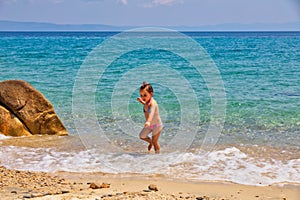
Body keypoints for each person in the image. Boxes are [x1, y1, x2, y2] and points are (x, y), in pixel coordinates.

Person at [137, 82, 162, 153]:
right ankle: (150, 142)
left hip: (157, 126)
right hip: (150, 125)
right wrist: (141, 101)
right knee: (142, 136)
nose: (143, 97)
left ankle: (158, 155)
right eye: (141, 95)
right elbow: (146, 105)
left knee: (155, 142)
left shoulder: (153, 103)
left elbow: (151, 112)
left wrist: (148, 121)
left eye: (145, 95)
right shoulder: (147, 102)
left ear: (151, 94)